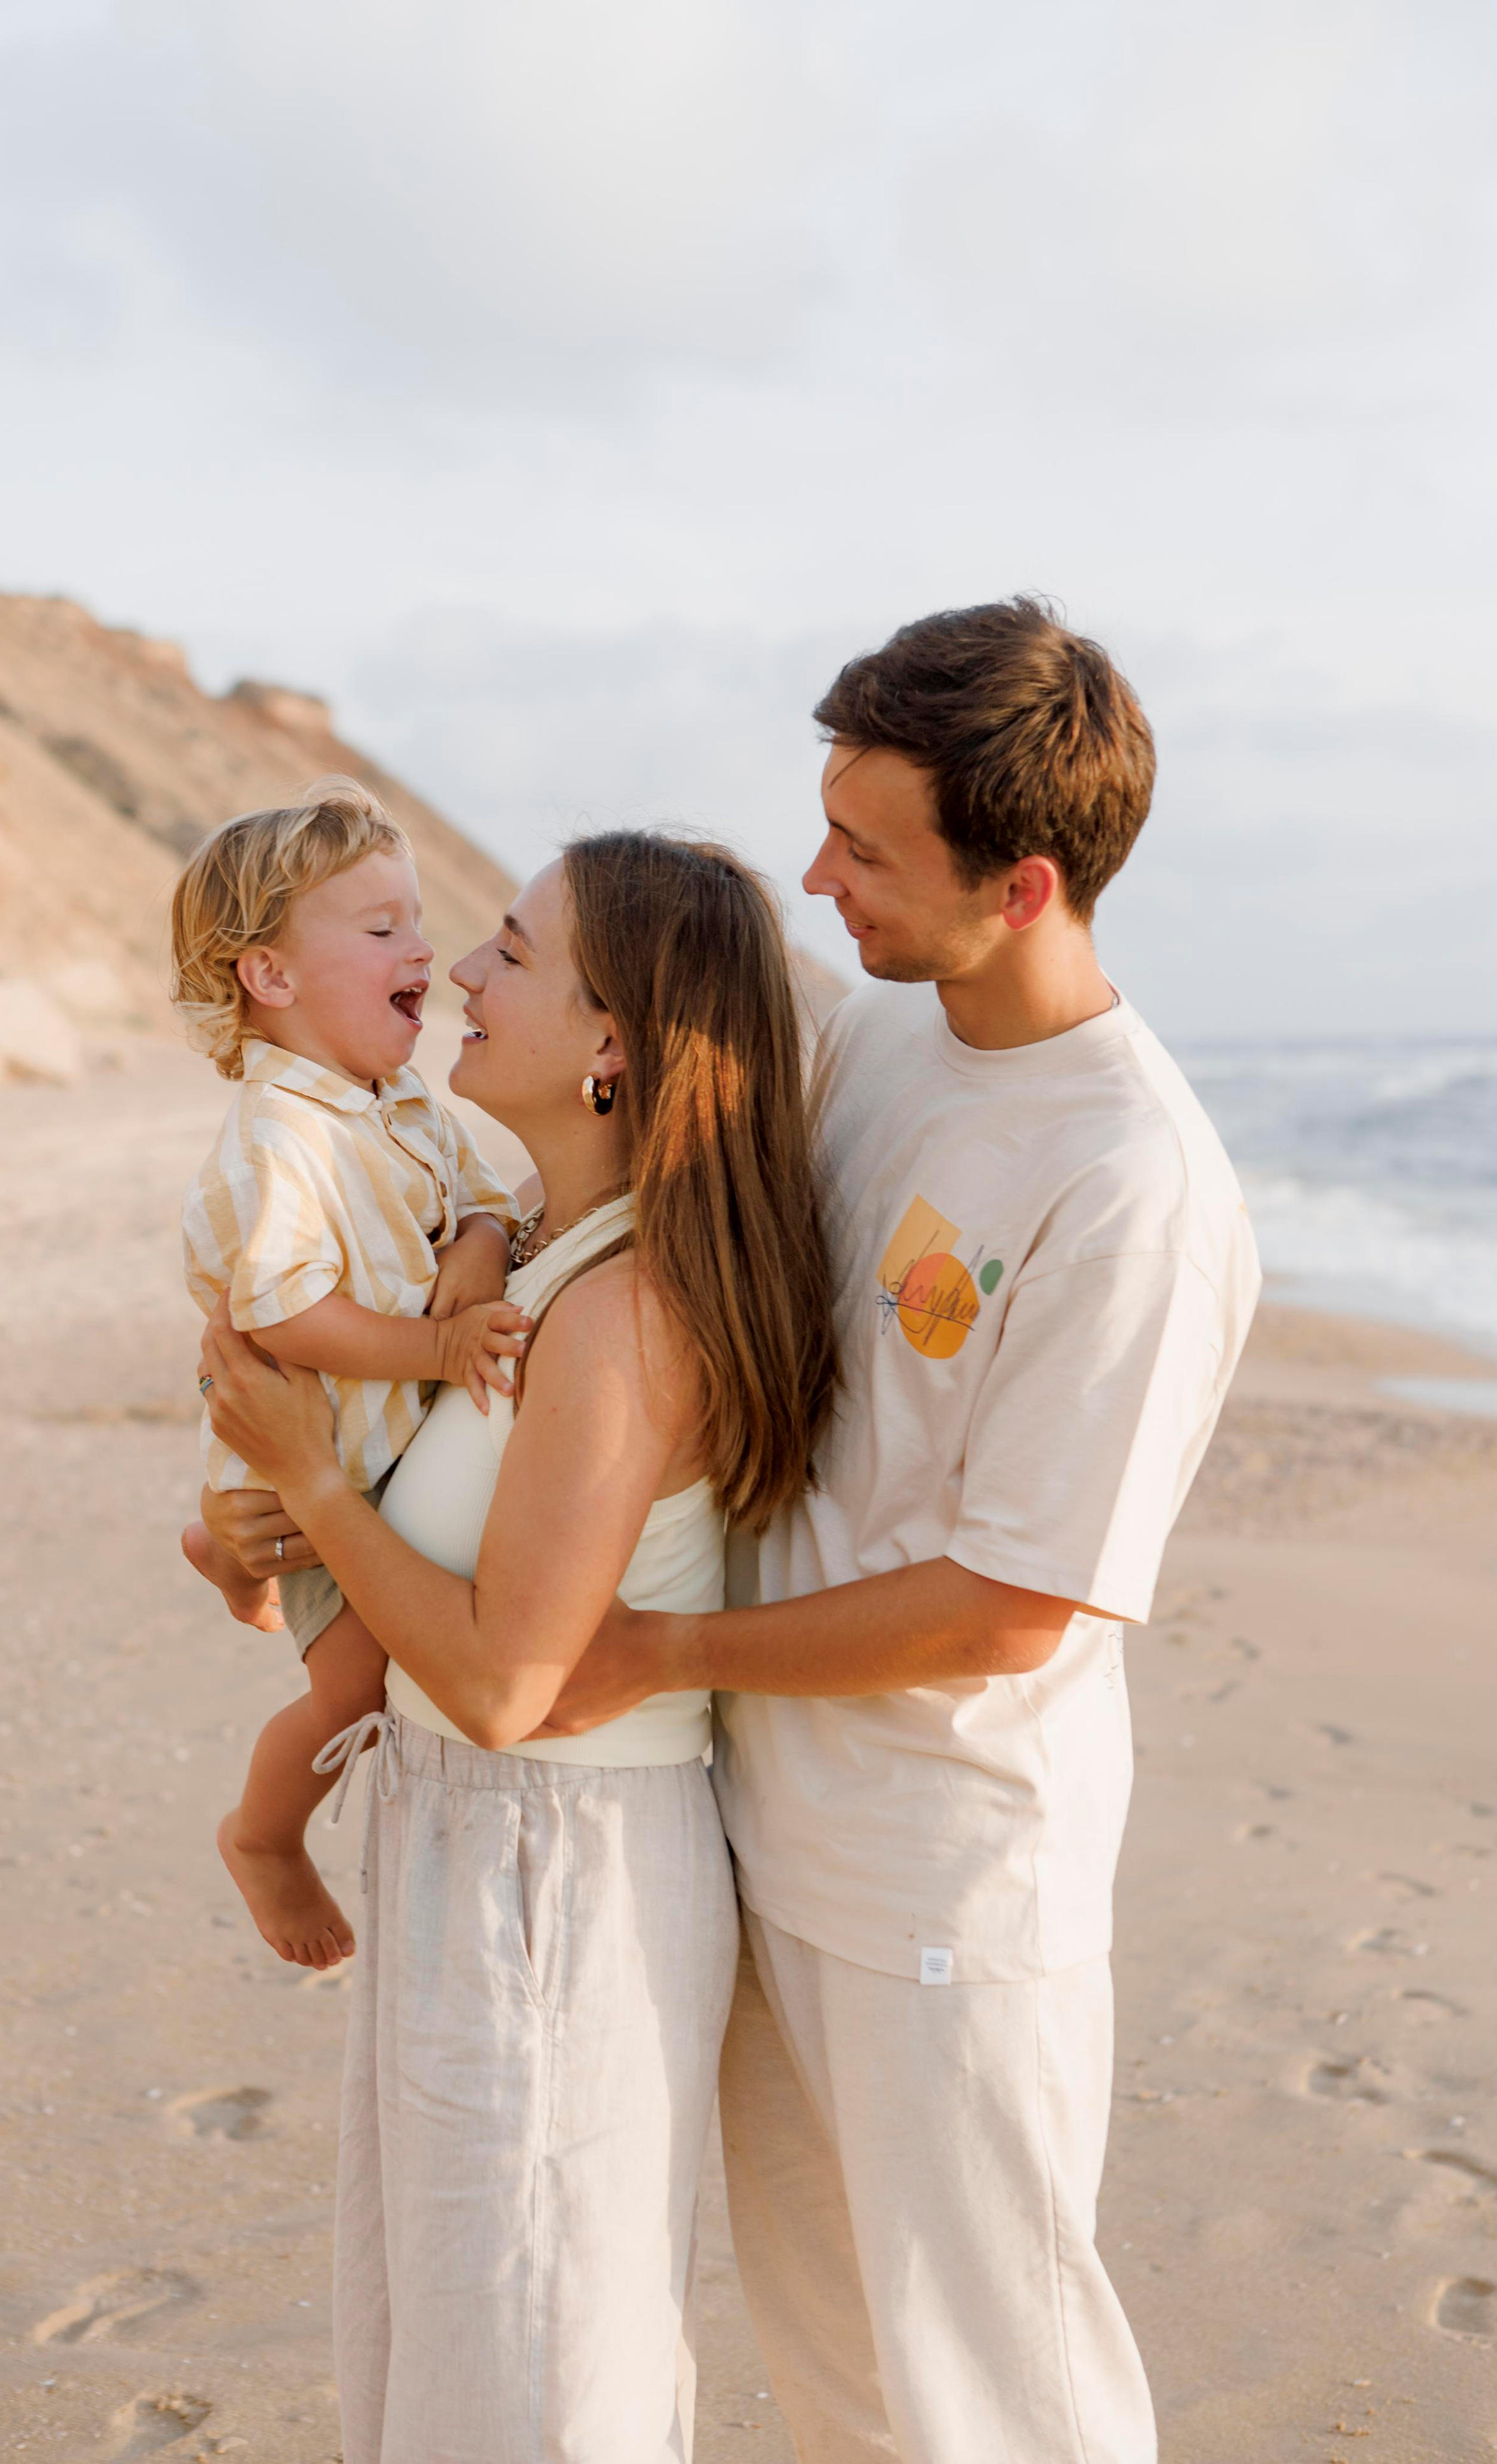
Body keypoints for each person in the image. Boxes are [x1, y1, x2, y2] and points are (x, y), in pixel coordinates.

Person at [538, 601, 1263, 2462]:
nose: (817, 875)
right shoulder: (883, 1046)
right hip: (771, 1843)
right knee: (846, 2378)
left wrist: (662, 1652)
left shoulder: (1133, 1181)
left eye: (865, 852)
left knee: (1003, 2407)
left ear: (1022, 886)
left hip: (943, 1891)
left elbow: (1016, 1606)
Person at [196, 829, 838, 2463]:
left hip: (549, 1874)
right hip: (467, 1852)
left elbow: (497, 1685)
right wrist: (265, 1524)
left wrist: (312, 1483)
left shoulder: (623, 1313)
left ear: (614, 1043)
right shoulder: (532, 1257)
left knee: (532, 2382)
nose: (461, 980)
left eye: (507, 952)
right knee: (455, 2347)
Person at [171, 777, 524, 1970]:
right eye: (380, 931)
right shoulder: (285, 1135)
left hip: (373, 1457)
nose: (424, 951)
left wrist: (476, 1253)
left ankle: (229, 1553)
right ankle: (265, 1834)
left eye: (416, 922)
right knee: (361, 1687)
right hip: (331, 1470)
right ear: (269, 978)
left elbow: (482, 1201)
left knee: (322, 1590)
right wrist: (436, 1343)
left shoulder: (402, 1100)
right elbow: (286, 1309)